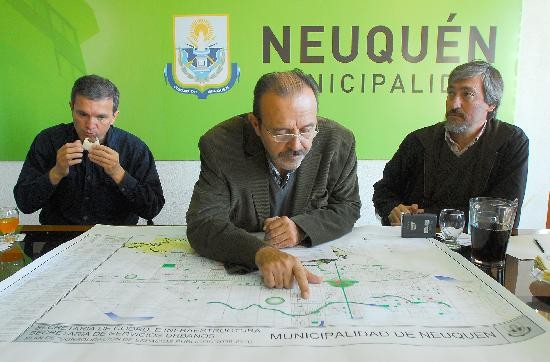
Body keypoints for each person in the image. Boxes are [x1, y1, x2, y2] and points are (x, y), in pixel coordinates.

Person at [186, 69, 361, 299]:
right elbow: (203, 223)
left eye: (307, 129)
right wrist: (260, 253)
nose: (297, 145)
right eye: (281, 132)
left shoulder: (339, 142)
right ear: (256, 125)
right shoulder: (220, 145)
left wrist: (300, 229)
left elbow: (348, 207)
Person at [372, 60, 528, 227]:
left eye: (467, 94)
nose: (454, 104)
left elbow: (502, 213)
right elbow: (384, 191)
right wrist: (393, 209)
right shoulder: (419, 141)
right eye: (451, 93)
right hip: (416, 245)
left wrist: (428, 216)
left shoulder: (510, 142)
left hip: (478, 247)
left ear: (491, 104)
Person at [14, 75, 165, 225]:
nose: (90, 125)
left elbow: (152, 209)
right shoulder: (48, 141)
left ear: (114, 117)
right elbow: (25, 204)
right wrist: (56, 172)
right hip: (58, 238)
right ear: (71, 108)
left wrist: (119, 174)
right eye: (82, 114)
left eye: (101, 117)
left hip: (117, 239)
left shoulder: (134, 148)